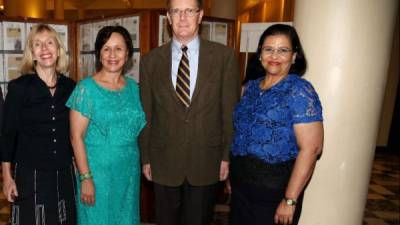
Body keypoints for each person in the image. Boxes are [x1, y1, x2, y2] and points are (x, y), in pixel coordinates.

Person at [139, 0, 240, 224]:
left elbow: (230, 113)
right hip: (163, 161)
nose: (182, 17)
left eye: (189, 11)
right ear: (168, 17)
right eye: (176, 11)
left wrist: (226, 157)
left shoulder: (224, 58)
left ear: (200, 15)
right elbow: (147, 115)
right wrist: (146, 158)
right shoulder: (150, 61)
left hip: (207, 160)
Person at [229, 24, 324, 225]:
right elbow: (239, 135)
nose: (275, 55)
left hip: (274, 194)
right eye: (268, 49)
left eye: (283, 50)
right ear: (260, 54)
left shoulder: (299, 90)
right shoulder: (250, 88)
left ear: (294, 56)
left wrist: (290, 200)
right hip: (241, 189)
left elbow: (311, 148)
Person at [67, 26, 146, 225]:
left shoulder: (135, 89)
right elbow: (76, 137)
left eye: (118, 49)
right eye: (106, 49)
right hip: (96, 176)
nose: (112, 55)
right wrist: (85, 178)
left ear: (127, 54)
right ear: (99, 54)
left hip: (128, 175)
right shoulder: (85, 89)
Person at [0, 24, 76, 225]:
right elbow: (7, 136)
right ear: (32, 53)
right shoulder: (19, 88)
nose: (44, 48)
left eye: (50, 43)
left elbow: (76, 134)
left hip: (64, 174)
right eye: (38, 44)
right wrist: (7, 178)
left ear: (58, 51)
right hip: (30, 176)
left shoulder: (71, 87)